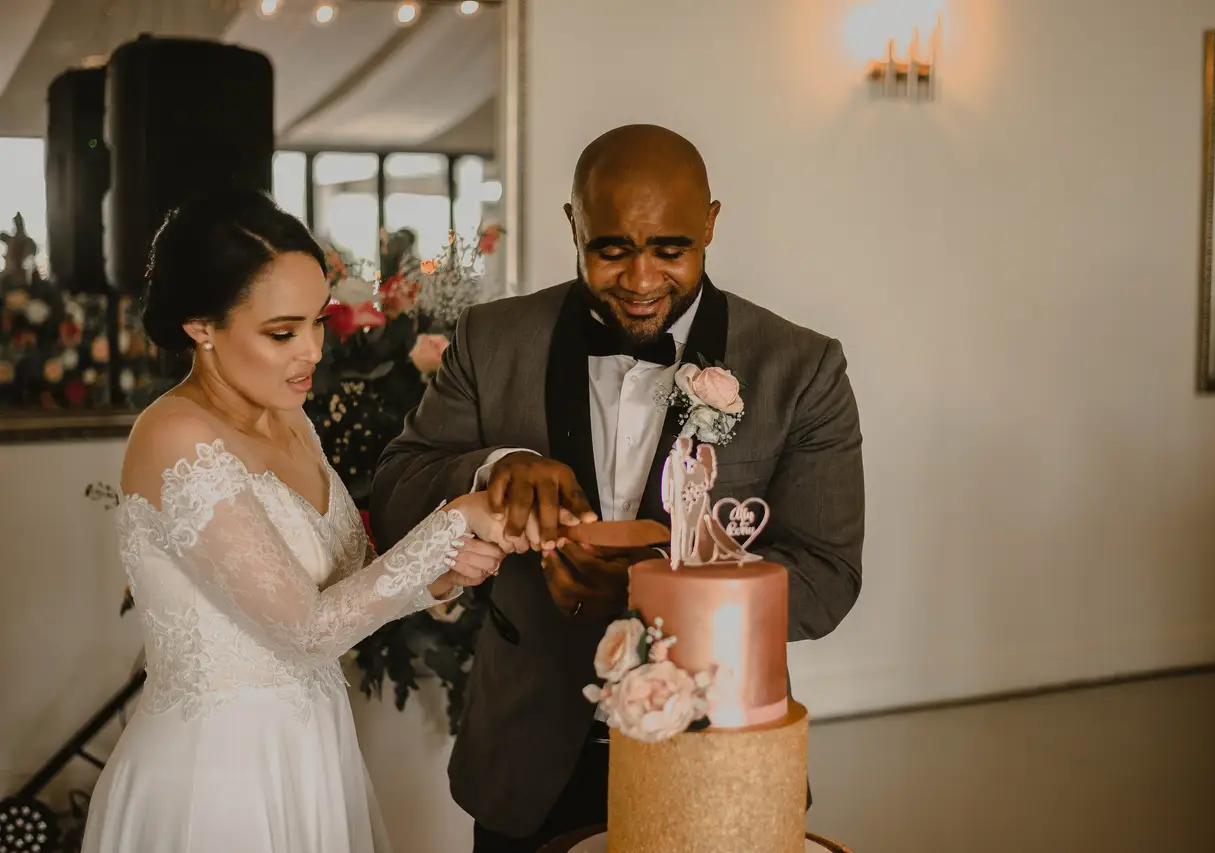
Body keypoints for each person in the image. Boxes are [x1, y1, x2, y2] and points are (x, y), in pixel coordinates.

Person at [371, 124, 865, 852]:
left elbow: (827, 579)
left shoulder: (803, 368)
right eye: (611, 249)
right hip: (527, 758)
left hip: (719, 751)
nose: (640, 280)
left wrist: (655, 586)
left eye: (671, 249)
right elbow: (394, 490)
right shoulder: (492, 338)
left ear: (710, 223)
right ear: (574, 224)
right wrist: (493, 468)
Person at [81, 188, 551, 853]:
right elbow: (305, 629)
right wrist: (449, 523)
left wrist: (443, 573)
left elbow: (349, 583)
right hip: (217, 778)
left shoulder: (289, 416)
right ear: (201, 326)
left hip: (311, 753)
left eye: (318, 322)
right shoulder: (174, 437)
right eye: (281, 332)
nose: (312, 352)